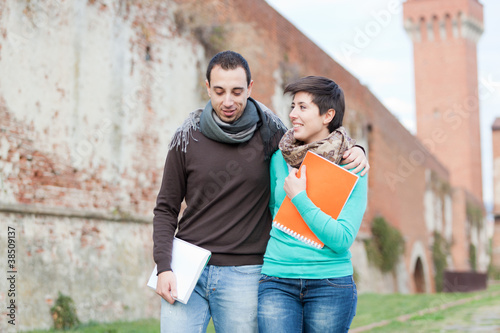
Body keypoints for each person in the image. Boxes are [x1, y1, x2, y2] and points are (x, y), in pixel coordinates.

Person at [153, 51, 369, 333]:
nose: (227, 101)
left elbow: (316, 142)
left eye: (237, 91)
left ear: (250, 88)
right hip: (187, 267)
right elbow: (166, 207)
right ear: (207, 87)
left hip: (245, 272)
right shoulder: (187, 136)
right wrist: (163, 266)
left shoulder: (272, 135)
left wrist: (356, 150)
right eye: (218, 91)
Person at [258, 76, 368, 333]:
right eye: (293, 106)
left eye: (303, 107)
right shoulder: (278, 158)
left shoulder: (352, 164)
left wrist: (300, 199)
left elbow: (342, 239)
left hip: (329, 284)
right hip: (277, 279)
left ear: (328, 115)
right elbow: (276, 214)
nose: (293, 114)